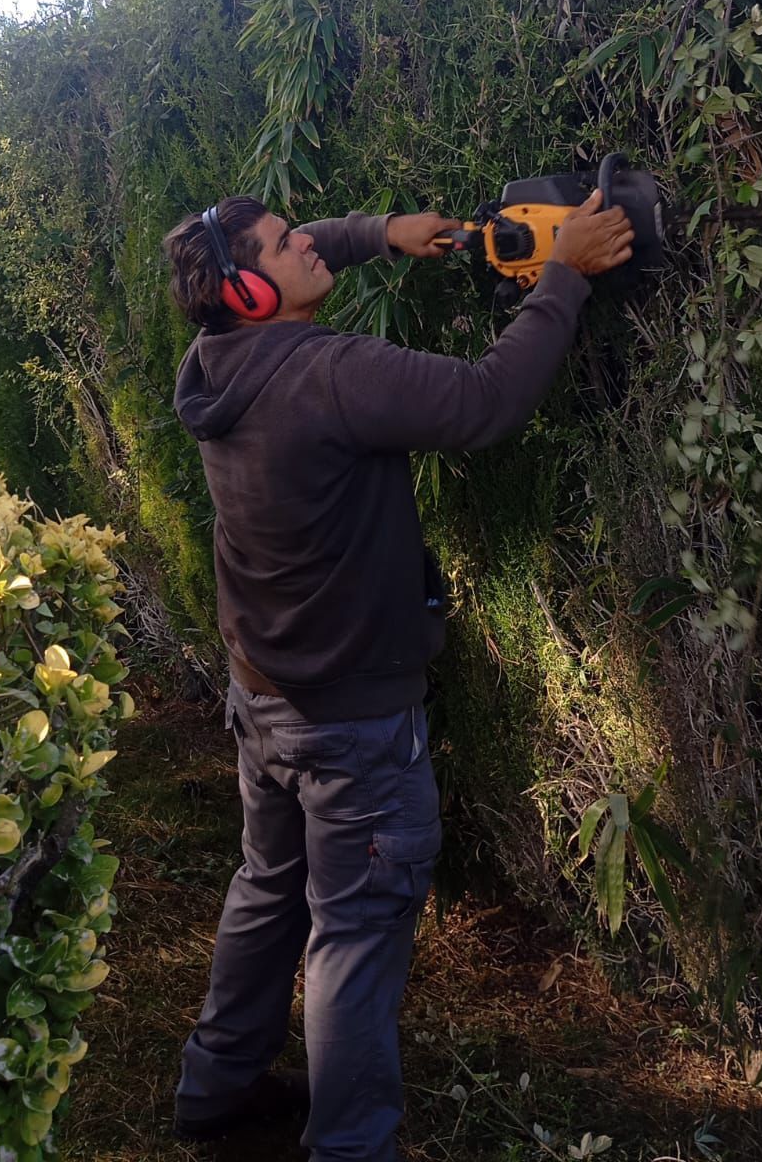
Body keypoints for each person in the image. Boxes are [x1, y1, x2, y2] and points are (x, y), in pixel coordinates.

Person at [163, 188, 633, 1161]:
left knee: (267, 891)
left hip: (264, 695)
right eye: (285, 245)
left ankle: (216, 1086)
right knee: (354, 938)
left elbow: (302, 252)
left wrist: (380, 236)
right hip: (352, 727)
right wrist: (563, 276)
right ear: (249, 289)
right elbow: (486, 401)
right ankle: (350, 1148)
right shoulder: (333, 371)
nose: (306, 242)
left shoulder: (213, 363)